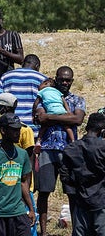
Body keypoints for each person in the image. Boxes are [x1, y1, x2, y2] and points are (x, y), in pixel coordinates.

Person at [34, 66, 85, 236]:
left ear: (72, 81)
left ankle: (76, 230)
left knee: (72, 191)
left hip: (69, 150)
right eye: (62, 79)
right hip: (47, 149)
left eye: (68, 80)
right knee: (44, 191)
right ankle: (43, 231)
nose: (64, 82)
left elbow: (77, 119)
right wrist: (64, 119)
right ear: (55, 79)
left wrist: (50, 117)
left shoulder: (78, 99)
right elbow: (38, 116)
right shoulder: (46, 94)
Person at [0, 113, 35, 236]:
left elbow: (24, 183)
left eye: (19, 130)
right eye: (14, 130)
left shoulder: (22, 154)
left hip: (18, 212)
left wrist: (30, 208)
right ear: (3, 130)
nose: (18, 133)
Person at [60, 111, 105, 235]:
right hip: (100, 201)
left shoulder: (71, 149)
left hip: (80, 200)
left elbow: (64, 176)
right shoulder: (102, 147)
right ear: (101, 130)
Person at [0, 54, 47, 136]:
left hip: (10, 127)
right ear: (37, 66)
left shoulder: (6, 76)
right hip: (32, 128)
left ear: (22, 63)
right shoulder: (43, 79)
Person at [34, 78, 75, 142]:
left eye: (40, 84)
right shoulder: (57, 91)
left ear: (46, 83)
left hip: (51, 111)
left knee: (44, 126)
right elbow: (64, 101)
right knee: (67, 127)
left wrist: (33, 112)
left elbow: (36, 102)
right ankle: (72, 140)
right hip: (61, 110)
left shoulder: (42, 91)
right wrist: (68, 111)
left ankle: (38, 141)